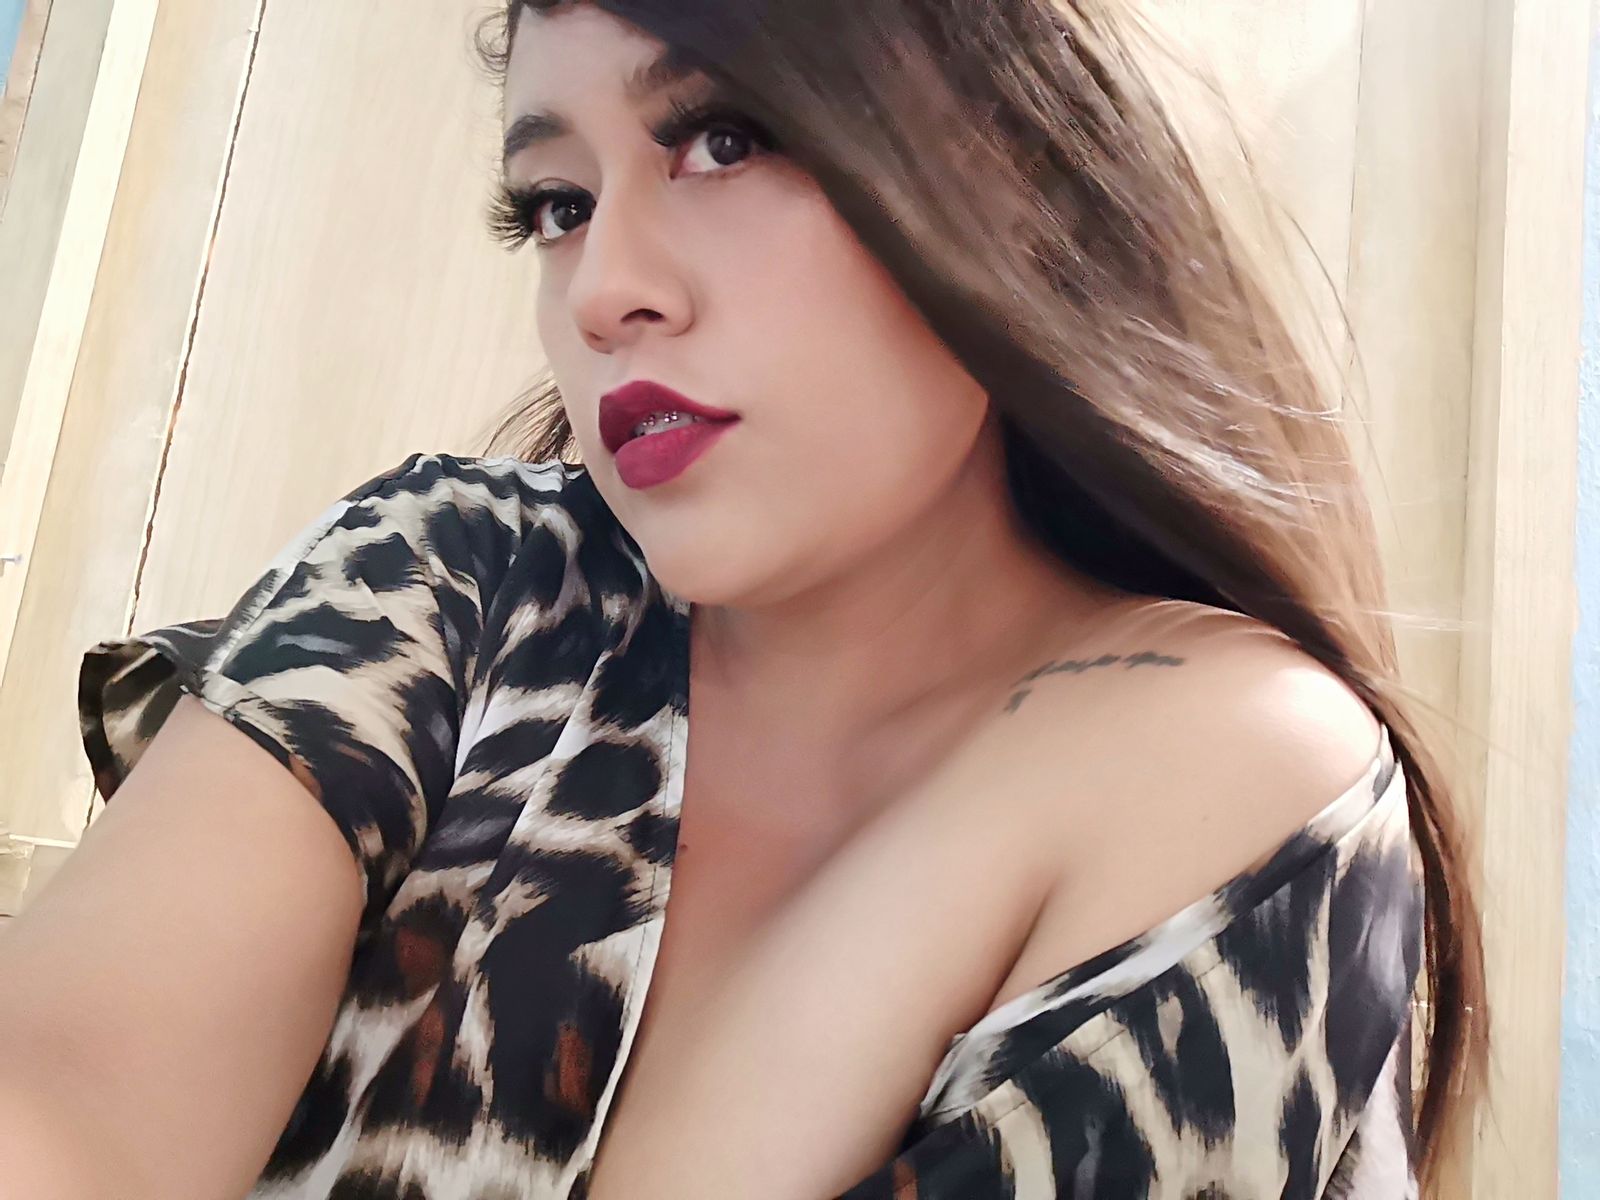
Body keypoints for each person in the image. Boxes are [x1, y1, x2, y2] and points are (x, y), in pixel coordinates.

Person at [0, 1, 1485, 1197]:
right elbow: (67, 1098)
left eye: (724, 139)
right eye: (557, 203)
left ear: (1012, 175)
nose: (604, 288)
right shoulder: (457, 581)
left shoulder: (1226, 762)